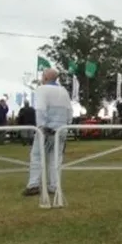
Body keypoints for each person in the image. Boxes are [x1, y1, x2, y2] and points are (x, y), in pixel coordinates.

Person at [22, 69, 73, 197]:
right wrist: (66, 126)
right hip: (61, 129)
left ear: (45, 78)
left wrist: (41, 126)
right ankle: (54, 185)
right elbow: (69, 112)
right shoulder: (64, 91)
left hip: (46, 130)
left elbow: (40, 109)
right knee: (56, 158)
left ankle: (33, 184)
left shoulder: (42, 89)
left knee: (37, 156)